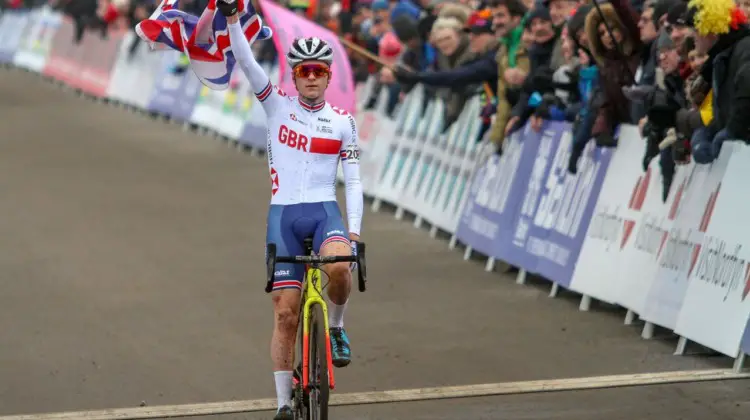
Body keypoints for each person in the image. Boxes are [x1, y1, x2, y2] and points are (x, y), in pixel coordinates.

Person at [217, 1, 364, 419]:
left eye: (320, 71)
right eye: (305, 71)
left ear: (328, 76)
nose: (313, 77)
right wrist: (231, 19)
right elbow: (245, 60)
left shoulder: (342, 122)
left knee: (339, 268)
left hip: (324, 213)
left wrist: (354, 233)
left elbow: (353, 180)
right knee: (285, 315)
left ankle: (335, 329)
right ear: (295, 75)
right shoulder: (276, 105)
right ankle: (283, 403)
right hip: (283, 216)